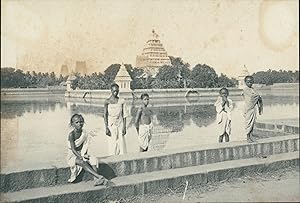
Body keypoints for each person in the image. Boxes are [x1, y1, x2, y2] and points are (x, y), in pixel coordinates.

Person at [67, 114, 109, 186]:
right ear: (72, 124)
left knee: (93, 159)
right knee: (82, 162)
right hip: (73, 155)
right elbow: (73, 149)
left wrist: (85, 154)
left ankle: (97, 179)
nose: (79, 124)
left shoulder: (84, 133)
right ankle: (99, 176)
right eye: (76, 122)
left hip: (82, 153)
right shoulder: (71, 134)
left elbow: (85, 145)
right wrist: (80, 156)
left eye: (81, 122)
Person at [104, 83, 128, 155]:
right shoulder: (107, 101)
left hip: (120, 124)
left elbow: (124, 115)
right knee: (112, 143)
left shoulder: (122, 101)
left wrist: (124, 127)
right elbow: (105, 115)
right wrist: (106, 128)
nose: (116, 92)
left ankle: (122, 160)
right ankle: (113, 160)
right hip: (111, 125)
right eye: (114, 91)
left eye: (117, 91)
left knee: (121, 143)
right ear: (111, 91)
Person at [243, 76, 263, 142]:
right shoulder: (245, 89)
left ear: (253, 82)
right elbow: (251, 97)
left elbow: (256, 96)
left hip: (253, 108)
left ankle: (251, 135)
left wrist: (258, 97)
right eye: (248, 82)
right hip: (248, 108)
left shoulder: (253, 89)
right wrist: (258, 97)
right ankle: (248, 137)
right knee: (248, 122)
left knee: (252, 122)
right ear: (245, 82)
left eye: (251, 82)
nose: (249, 83)